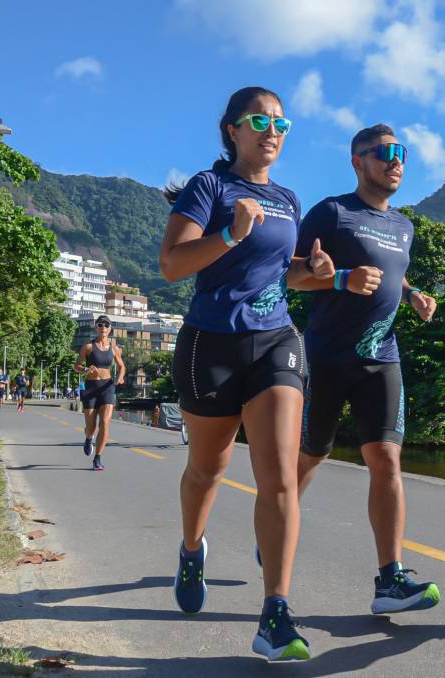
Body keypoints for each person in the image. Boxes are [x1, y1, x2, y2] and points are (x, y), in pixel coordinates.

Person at [158, 86, 334, 662]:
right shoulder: (207, 188)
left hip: (276, 341)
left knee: (280, 475)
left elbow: (286, 275)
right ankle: (191, 549)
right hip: (210, 343)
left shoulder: (288, 198)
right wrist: (231, 231)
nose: (273, 131)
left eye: (282, 124)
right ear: (232, 129)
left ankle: (276, 613)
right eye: (260, 120)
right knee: (207, 469)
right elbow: (172, 265)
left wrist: (318, 271)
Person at [286, 124, 440, 615]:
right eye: (385, 153)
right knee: (312, 455)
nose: (396, 161)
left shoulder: (403, 226)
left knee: (387, 461)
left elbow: (393, 268)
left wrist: (412, 293)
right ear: (358, 161)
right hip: (328, 357)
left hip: (382, 357)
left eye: (402, 154)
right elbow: (289, 274)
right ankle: (277, 523)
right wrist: (340, 280)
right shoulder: (333, 213)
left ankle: (390, 579)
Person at [74, 315, 126, 471]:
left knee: (105, 421)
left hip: (107, 387)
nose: (103, 327)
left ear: (110, 329)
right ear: (96, 328)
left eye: (106, 325)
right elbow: (76, 365)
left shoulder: (114, 348)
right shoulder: (88, 346)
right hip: (90, 387)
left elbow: (122, 366)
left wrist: (121, 377)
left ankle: (98, 458)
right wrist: (85, 369)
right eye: (100, 324)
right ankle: (89, 437)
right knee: (91, 427)